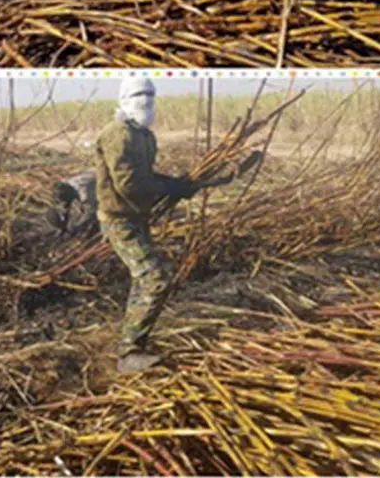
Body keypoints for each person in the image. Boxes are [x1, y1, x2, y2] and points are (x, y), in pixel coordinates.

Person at [94, 77, 264, 372]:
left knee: (145, 278)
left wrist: (177, 184)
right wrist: (169, 188)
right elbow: (129, 185)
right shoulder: (117, 134)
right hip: (119, 220)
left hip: (137, 217)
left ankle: (130, 344)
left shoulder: (145, 136)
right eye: (138, 96)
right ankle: (129, 353)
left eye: (150, 96)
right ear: (123, 99)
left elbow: (145, 176)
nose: (145, 102)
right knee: (154, 278)